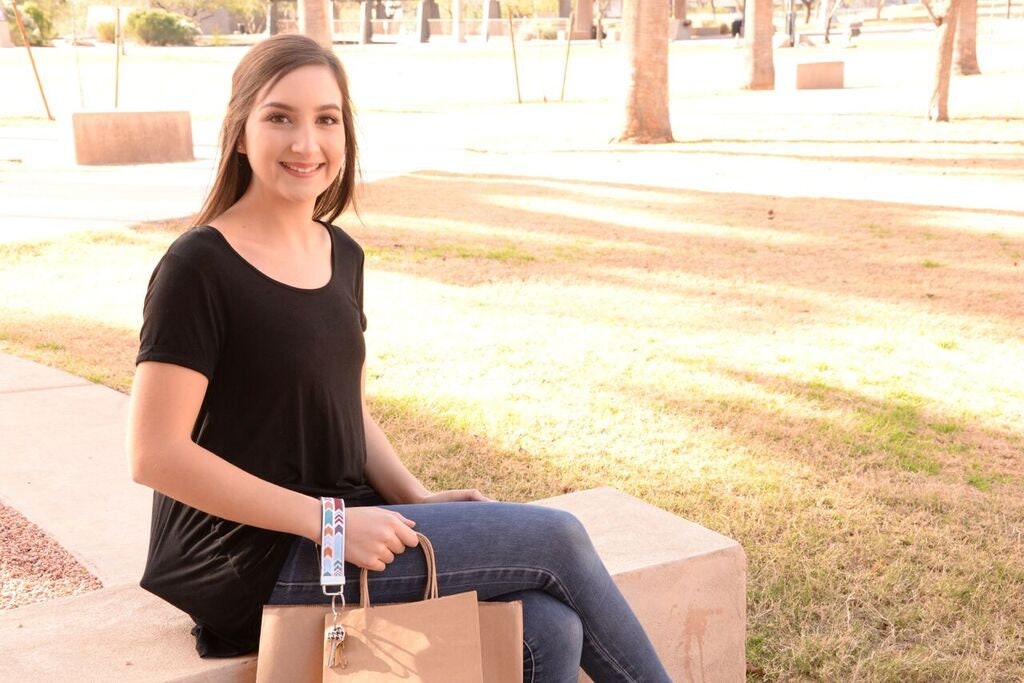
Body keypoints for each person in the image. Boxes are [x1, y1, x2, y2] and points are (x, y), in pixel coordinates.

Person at [127, 33, 670, 682]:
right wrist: (330, 526)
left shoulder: (340, 254)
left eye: (327, 119)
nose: (307, 143)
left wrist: (414, 495)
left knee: (546, 629)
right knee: (558, 538)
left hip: (337, 520)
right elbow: (155, 453)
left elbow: (344, 405)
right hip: (254, 553)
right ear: (239, 133)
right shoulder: (198, 268)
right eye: (280, 118)